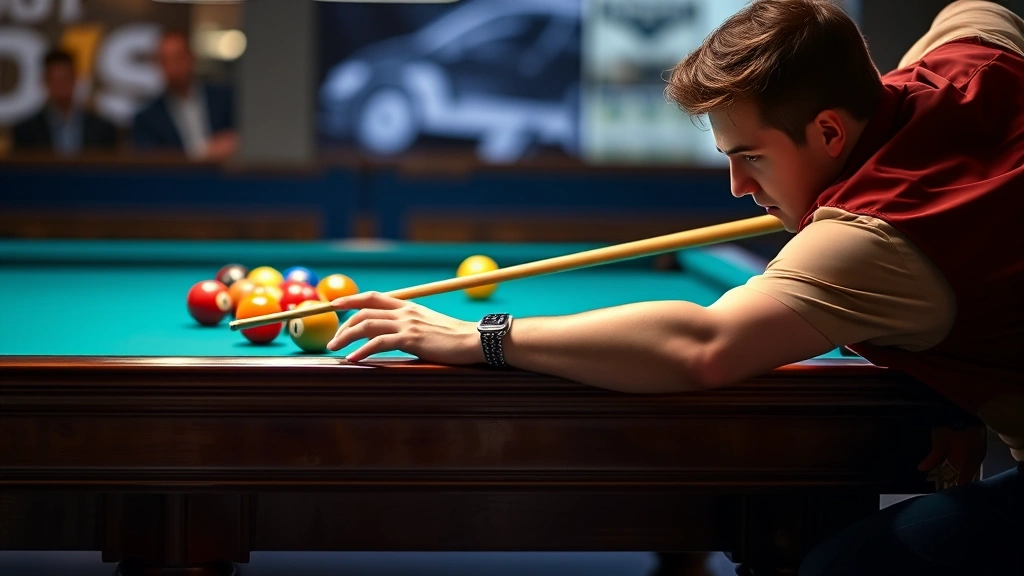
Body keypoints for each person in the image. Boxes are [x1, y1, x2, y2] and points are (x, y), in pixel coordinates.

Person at [324, 1, 1024, 574]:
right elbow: (976, 8)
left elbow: (702, 344)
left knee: (838, 570)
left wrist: (482, 336)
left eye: (751, 157)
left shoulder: (872, 238)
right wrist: (954, 395)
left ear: (832, 129)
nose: (740, 187)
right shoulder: (978, 56)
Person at [132, 31, 236, 160]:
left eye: (177, 57)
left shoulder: (225, 98)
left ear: (192, 57)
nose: (172, 66)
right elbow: (151, 161)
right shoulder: (147, 117)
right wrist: (202, 153)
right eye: (164, 60)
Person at [12, 49, 117, 155]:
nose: (61, 86)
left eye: (65, 79)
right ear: (45, 81)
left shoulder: (102, 129)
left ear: (75, 79)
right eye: (55, 80)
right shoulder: (25, 131)